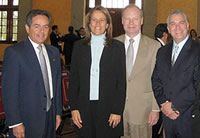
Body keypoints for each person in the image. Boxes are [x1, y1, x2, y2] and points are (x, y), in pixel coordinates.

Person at [1, 9, 62, 138]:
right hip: (25, 120)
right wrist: (15, 122)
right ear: (27, 28)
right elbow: (9, 91)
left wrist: (57, 113)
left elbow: (56, 86)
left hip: (50, 117)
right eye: (37, 26)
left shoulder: (53, 53)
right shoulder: (14, 53)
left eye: (46, 27)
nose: (42, 31)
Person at [69, 5, 126, 138]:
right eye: (94, 20)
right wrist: (74, 108)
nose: (98, 24)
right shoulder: (79, 46)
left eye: (102, 20)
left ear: (107, 24)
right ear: (89, 24)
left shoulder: (117, 47)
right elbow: (74, 80)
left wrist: (117, 111)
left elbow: (121, 82)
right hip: (84, 107)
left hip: (108, 107)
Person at [152, 10, 200, 138]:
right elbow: (156, 80)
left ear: (188, 25)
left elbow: (197, 87)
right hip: (167, 117)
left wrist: (174, 106)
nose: (177, 27)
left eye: (181, 23)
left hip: (188, 117)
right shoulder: (162, 52)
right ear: (168, 28)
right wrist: (163, 104)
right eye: (173, 24)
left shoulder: (197, 50)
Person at [115, 4, 160, 138]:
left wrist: (155, 108)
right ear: (122, 21)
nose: (131, 22)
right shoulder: (113, 44)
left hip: (143, 110)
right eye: (127, 19)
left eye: (135, 18)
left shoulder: (154, 46)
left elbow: (157, 79)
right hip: (117, 110)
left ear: (142, 21)